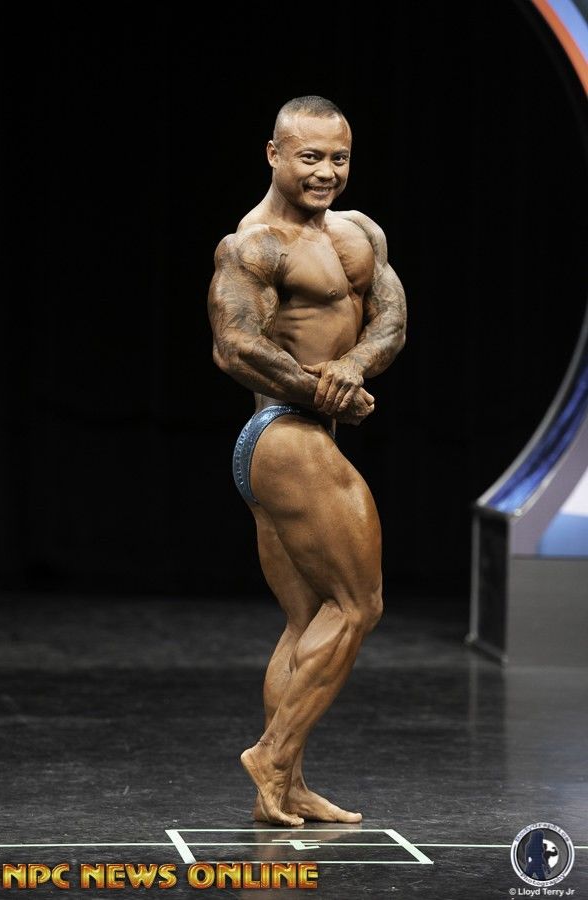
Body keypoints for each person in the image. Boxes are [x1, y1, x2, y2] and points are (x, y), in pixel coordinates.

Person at [207, 95, 407, 826]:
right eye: (310, 157)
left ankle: (284, 789)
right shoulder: (253, 245)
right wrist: (321, 389)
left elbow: (391, 319)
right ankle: (272, 754)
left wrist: (350, 368)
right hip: (285, 436)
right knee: (360, 604)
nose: (326, 172)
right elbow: (236, 347)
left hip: (300, 436)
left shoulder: (360, 233)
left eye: (339, 158)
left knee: (308, 619)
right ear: (274, 155)